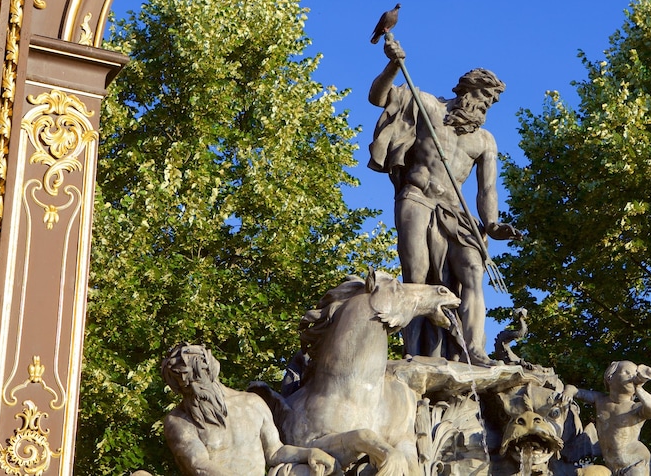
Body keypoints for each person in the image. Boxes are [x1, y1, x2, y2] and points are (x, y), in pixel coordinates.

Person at [368, 38, 521, 366]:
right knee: (417, 272)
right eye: (484, 96)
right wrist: (394, 64)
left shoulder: (484, 140)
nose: (486, 106)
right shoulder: (427, 106)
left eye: (492, 103)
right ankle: (415, 350)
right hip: (418, 198)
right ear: (468, 89)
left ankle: (474, 348)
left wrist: (492, 225)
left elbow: (487, 190)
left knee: (472, 269)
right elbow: (378, 97)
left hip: (456, 210)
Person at [161, 343, 340, 476]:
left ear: (212, 371)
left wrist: (309, 453)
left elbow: (275, 452)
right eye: (185, 386)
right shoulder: (178, 421)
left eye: (198, 379)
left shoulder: (252, 403)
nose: (194, 388)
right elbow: (198, 464)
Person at [560, 361, 651, 475]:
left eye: (634, 375)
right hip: (612, 466)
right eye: (627, 372)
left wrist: (639, 388)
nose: (632, 377)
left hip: (635, 463)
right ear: (610, 378)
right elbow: (576, 390)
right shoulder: (600, 400)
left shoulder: (635, 408)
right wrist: (569, 391)